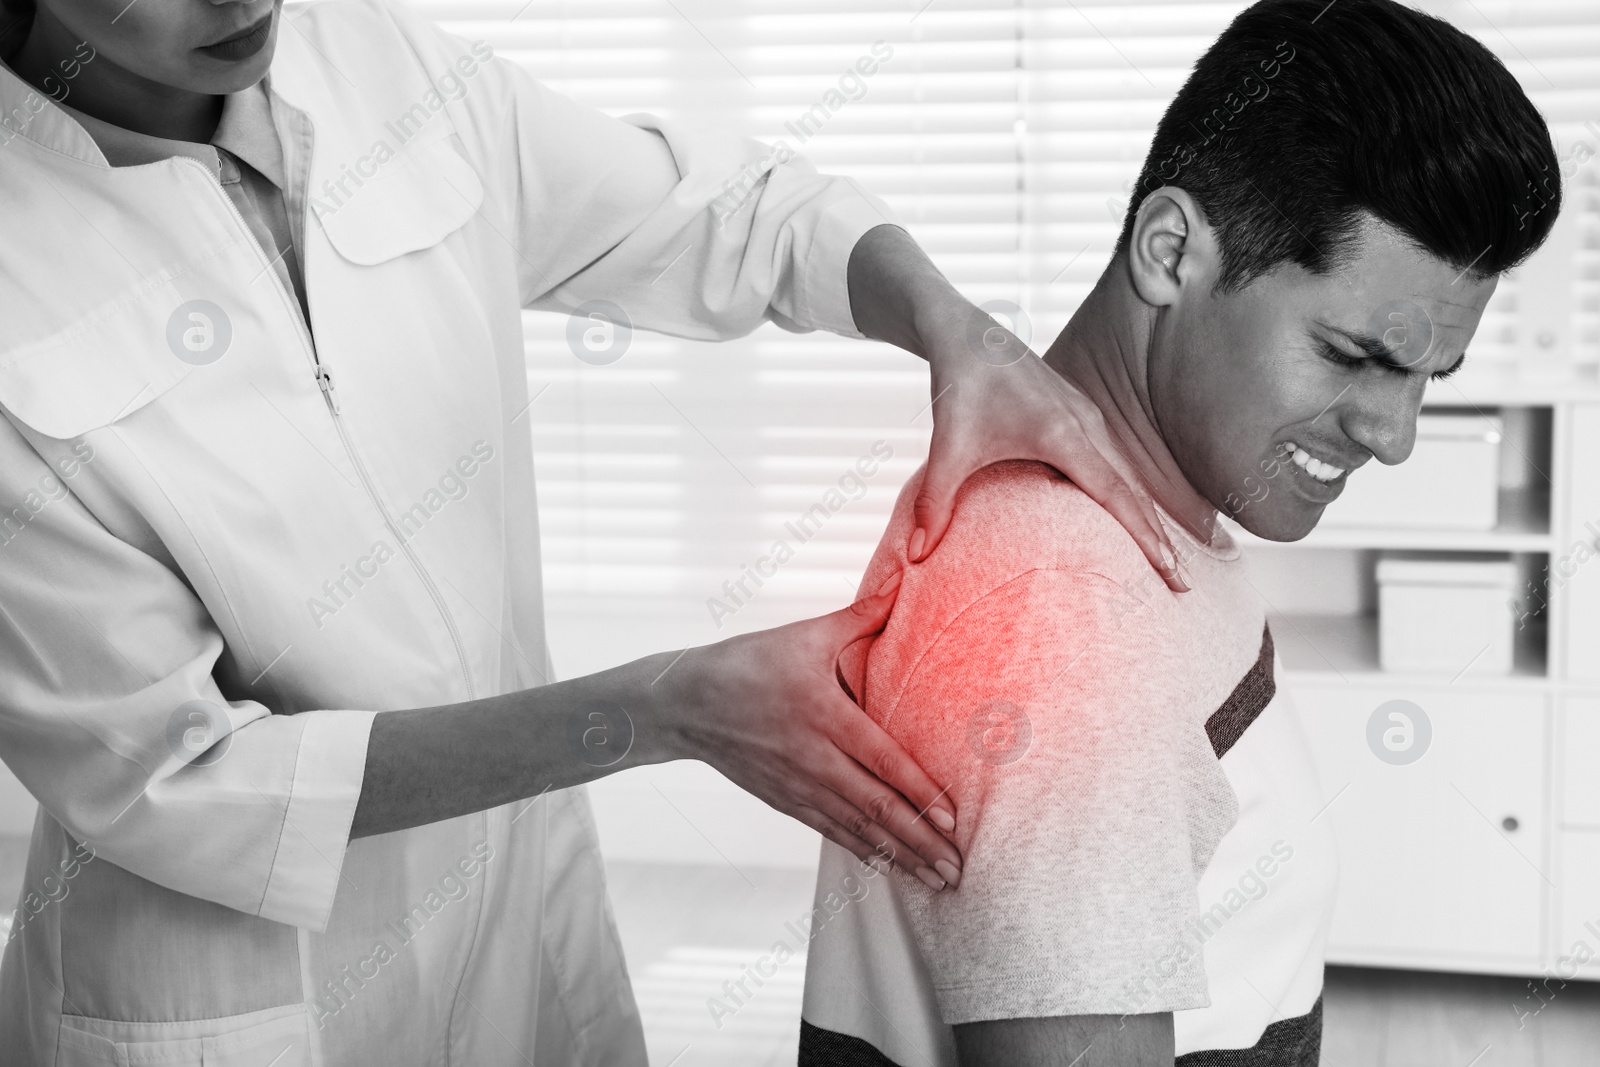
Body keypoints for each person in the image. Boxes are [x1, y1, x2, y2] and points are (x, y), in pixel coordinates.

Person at [0, 0, 1188, 1062]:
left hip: (517, 923)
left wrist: (950, 326)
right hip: (235, 996)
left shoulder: (375, 63)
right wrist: (657, 709)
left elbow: (735, 214)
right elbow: (179, 775)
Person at [797, 1, 1560, 1064]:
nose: (1393, 435)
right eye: (1350, 353)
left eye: (1428, 378)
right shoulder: (1063, 619)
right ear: (1170, 251)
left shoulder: (1135, 516)